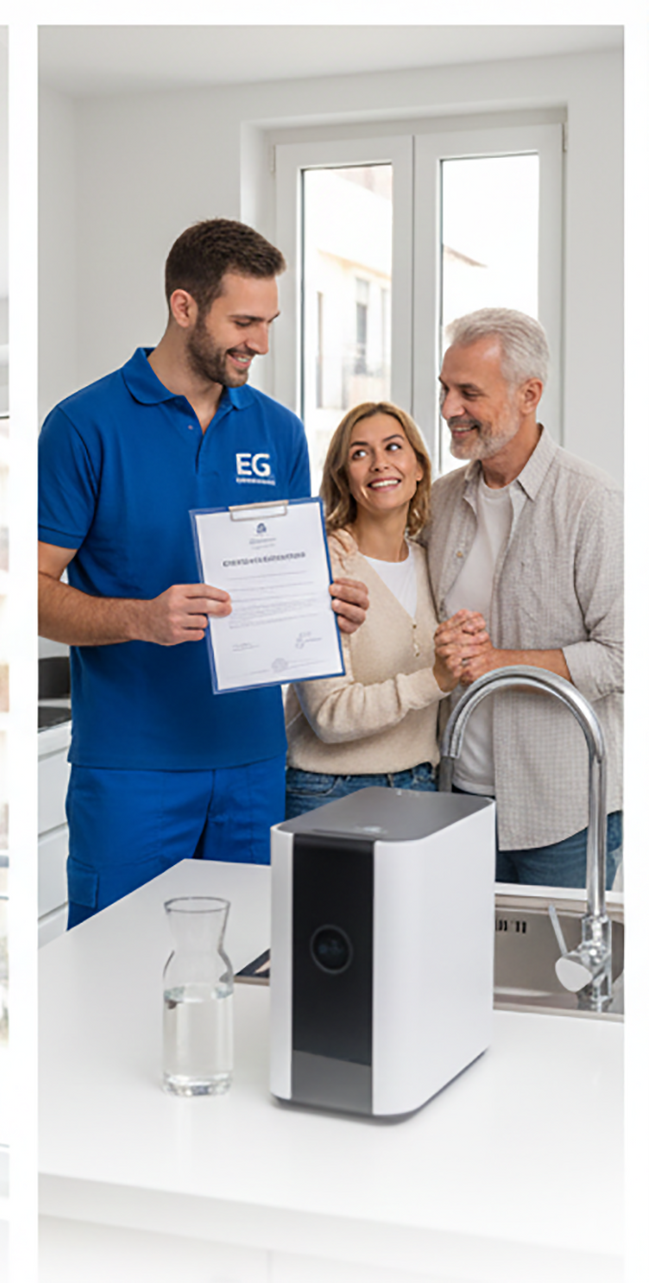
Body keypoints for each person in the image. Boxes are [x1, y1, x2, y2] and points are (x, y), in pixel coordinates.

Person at [36, 217, 367, 926]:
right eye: (244, 321)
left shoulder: (278, 431)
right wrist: (138, 617)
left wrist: (325, 605)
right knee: (116, 972)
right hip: (131, 768)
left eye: (270, 321)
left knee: (248, 968)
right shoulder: (83, 425)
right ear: (183, 307)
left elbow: (283, 570)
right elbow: (32, 595)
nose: (262, 343)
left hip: (252, 763)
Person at [425, 307, 623, 888]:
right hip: (457, 798)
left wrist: (499, 663)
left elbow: (622, 655)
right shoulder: (437, 503)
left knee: (557, 980)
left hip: (562, 814)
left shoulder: (592, 503)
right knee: (459, 975)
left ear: (529, 393)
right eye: (444, 389)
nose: (447, 410)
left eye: (468, 393)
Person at [283, 403, 485, 817]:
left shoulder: (435, 562)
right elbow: (328, 715)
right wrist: (433, 680)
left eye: (393, 447)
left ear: (418, 469)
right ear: (344, 477)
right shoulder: (323, 564)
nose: (379, 464)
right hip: (326, 789)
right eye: (359, 454)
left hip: (421, 785)